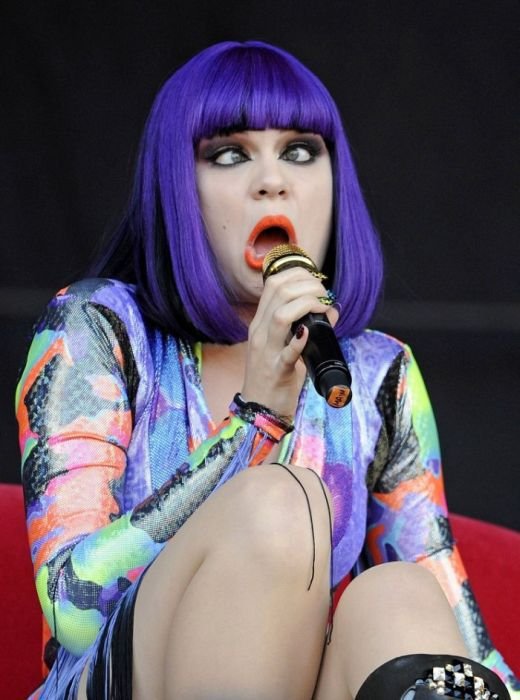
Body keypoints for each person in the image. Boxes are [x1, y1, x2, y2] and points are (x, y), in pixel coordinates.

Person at [16, 40, 517, 700]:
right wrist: (255, 421)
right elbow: (72, 610)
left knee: (401, 592)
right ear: (177, 190)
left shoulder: (377, 372)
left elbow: (458, 624)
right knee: (279, 500)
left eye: (301, 151)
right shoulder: (95, 327)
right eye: (230, 154)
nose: (273, 181)